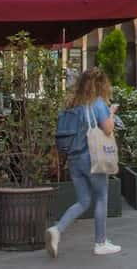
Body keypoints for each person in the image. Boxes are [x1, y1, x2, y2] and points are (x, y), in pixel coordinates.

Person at [46, 69, 121, 258]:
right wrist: (111, 112)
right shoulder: (97, 103)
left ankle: (57, 229)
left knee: (83, 201)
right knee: (101, 197)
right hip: (92, 157)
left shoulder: (73, 104)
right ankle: (100, 242)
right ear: (100, 85)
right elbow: (108, 128)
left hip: (74, 159)